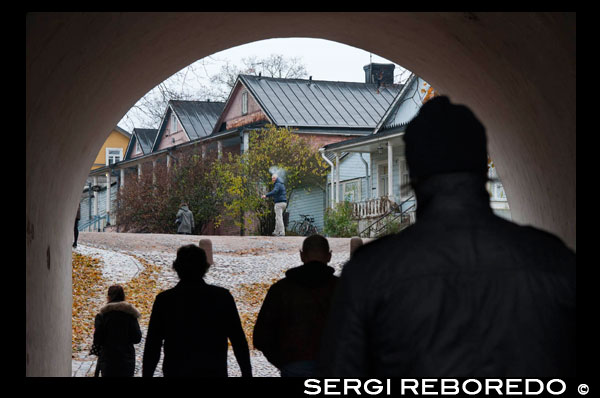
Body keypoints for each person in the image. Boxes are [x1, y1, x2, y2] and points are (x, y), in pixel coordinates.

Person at [319, 96, 576, 377]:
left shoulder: (371, 271)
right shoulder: (551, 258)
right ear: (482, 169)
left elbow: (339, 375)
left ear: (414, 176)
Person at [142, 244, 252, 377]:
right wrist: (247, 372)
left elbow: (153, 345)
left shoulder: (165, 300)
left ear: (177, 268)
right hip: (213, 370)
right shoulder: (222, 297)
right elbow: (238, 340)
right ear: (204, 268)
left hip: (176, 370)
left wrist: (147, 374)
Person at [253, 234, 338, 377]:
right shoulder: (343, 289)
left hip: (294, 364)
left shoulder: (280, 289)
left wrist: (283, 361)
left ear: (302, 256)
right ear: (329, 256)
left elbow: (261, 336)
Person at [92, 285, 142, 377]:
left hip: (108, 359)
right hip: (126, 359)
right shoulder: (130, 315)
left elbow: (97, 339)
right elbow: (137, 338)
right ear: (123, 296)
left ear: (108, 297)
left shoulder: (102, 316)